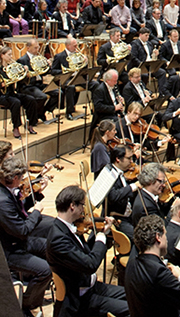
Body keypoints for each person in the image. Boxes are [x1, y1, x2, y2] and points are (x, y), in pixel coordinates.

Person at [46, 185, 130, 317]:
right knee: (131, 308)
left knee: (134, 295)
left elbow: (86, 252)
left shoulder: (70, 227)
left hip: (92, 286)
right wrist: (101, 237)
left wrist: (103, 232)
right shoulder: (58, 239)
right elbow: (90, 264)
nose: (83, 210)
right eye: (82, 205)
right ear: (72, 206)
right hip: (81, 299)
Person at [0, 156, 51, 317]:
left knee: (53, 247)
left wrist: (36, 195)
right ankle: (28, 305)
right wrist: (37, 211)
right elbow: (22, 230)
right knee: (45, 270)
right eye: (21, 178)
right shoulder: (2, 201)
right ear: (15, 178)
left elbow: (19, 214)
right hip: (9, 251)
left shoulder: (7, 191)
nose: (23, 181)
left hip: (18, 242)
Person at [125, 214, 180, 317]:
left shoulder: (132, 262)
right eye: (165, 234)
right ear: (158, 237)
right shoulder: (159, 272)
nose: (167, 239)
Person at [17, 38, 61, 122]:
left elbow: (45, 73)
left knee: (58, 93)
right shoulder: (22, 60)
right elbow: (20, 79)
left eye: (38, 48)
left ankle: (41, 112)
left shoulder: (39, 58)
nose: (37, 50)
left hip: (39, 84)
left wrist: (48, 66)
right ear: (28, 48)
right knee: (42, 97)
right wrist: (27, 74)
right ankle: (36, 115)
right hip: (28, 86)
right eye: (35, 48)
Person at [0, 46, 39, 138]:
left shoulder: (12, 67)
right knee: (16, 102)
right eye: (9, 55)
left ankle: (30, 124)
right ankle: (16, 127)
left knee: (31, 100)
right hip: (1, 95)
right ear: (2, 55)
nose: (11, 57)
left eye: (11, 54)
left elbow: (21, 81)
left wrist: (25, 74)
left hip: (11, 93)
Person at [51, 36, 88, 119]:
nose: (76, 47)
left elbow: (83, 70)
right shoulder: (59, 56)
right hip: (66, 78)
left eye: (76, 45)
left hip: (77, 77)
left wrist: (85, 63)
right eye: (74, 46)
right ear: (68, 46)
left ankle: (95, 108)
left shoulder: (78, 55)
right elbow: (53, 71)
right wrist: (65, 71)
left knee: (94, 84)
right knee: (70, 87)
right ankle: (69, 112)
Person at [132, 162, 175, 228]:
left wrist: (175, 199)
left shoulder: (145, 195)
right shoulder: (147, 206)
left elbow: (161, 211)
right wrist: (174, 210)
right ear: (150, 180)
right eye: (161, 181)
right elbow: (162, 227)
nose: (163, 185)